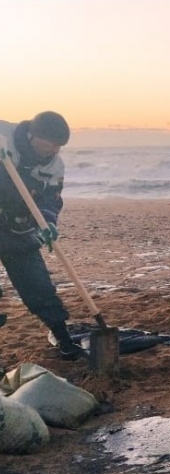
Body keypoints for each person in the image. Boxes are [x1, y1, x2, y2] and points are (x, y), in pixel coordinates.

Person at [0, 111, 85, 360]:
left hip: (19, 228)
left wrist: (48, 223)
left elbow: (51, 199)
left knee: (39, 287)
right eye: (48, 145)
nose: (52, 151)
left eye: (57, 147)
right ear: (32, 136)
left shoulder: (55, 166)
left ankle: (63, 338)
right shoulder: (3, 137)